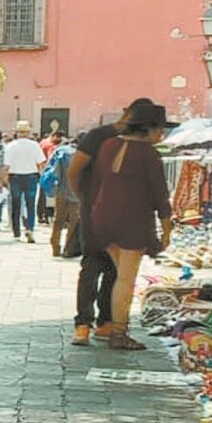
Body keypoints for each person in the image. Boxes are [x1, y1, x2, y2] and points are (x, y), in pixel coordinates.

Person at [86, 99, 173, 350]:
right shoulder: (148, 154)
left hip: (103, 215)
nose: (161, 134)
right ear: (148, 128)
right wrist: (166, 228)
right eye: (159, 129)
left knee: (120, 276)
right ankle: (119, 332)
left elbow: (97, 180)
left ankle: (115, 328)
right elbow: (160, 194)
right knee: (126, 279)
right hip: (132, 220)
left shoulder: (108, 146)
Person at [3, 125, 45, 242]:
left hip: (15, 177)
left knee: (15, 205)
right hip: (31, 176)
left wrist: (2, 180)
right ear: (28, 132)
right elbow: (41, 162)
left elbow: (6, 165)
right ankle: (29, 228)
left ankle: (16, 232)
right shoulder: (35, 145)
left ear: (17, 132)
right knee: (30, 204)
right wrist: (41, 175)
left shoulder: (11, 146)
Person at [46, 133, 82, 257]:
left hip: (61, 190)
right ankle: (68, 248)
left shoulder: (61, 151)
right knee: (73, 222)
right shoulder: (84, 155)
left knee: (58, 220)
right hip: (77, 193)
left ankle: (55, 246)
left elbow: (53, 170)